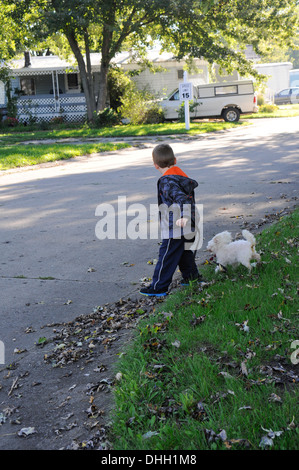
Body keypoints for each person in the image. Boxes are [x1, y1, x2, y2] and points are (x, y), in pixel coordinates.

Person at [140, 143, 202, 297]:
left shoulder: (168, 181)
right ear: (175, 160)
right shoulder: (181, 176)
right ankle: (191, 277)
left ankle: (158, 287)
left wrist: (183, 216)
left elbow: (182, 199)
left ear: (155, 165)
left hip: (177, 226)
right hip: (189, 225)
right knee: (184, 253)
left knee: (166, 256)